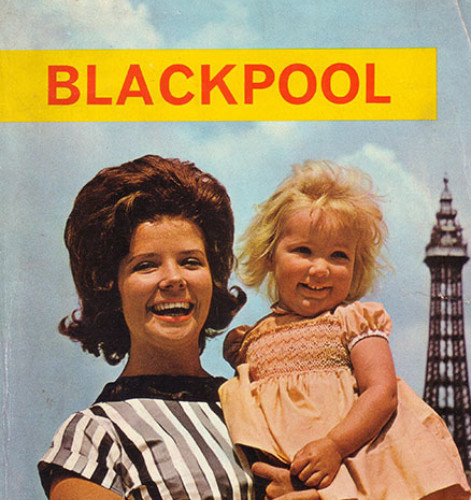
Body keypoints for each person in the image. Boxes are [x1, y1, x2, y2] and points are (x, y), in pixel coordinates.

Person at [38, 155, 314, 500]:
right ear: (111, 287)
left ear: (213, 279)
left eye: (190, 262)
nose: (173, 279)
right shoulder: (94, 437)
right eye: (146, 265)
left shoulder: (260, 403)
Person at [219, 160, 471, 500]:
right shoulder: (258, 333)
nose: (320, 269)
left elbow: (381, 392)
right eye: (303, 251)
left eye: (339, 256)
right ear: (269, 255)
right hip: (285, 469)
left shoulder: (352, 321)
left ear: (357, 266)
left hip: (350, 462)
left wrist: (334, 445)